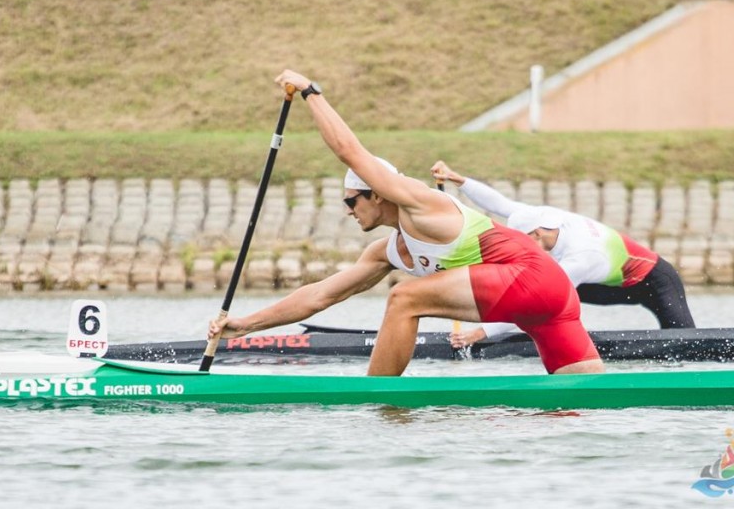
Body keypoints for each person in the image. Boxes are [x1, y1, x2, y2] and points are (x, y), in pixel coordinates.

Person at [208, 69, 604, 375]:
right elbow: (320, 296)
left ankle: (377, 397)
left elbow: (349, 151)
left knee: (404, 299)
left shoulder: (420, 203)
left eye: (351, 200)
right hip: (547, 300)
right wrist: (245, 326)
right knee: (582, 399)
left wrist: (310, 92)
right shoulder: (387, 252)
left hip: (533, 280)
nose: (347, 210)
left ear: (377, 194)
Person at [429, 160, 696, 349]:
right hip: (608, 285)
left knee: (687, 344)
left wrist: (480, 333)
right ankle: (556, 340)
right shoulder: (543, 219)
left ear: (536, 234)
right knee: (536, 290)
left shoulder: (580, 255)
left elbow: (536, 302)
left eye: (522, 242)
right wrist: (458, 180)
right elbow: (500, 204)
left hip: (656, 282)